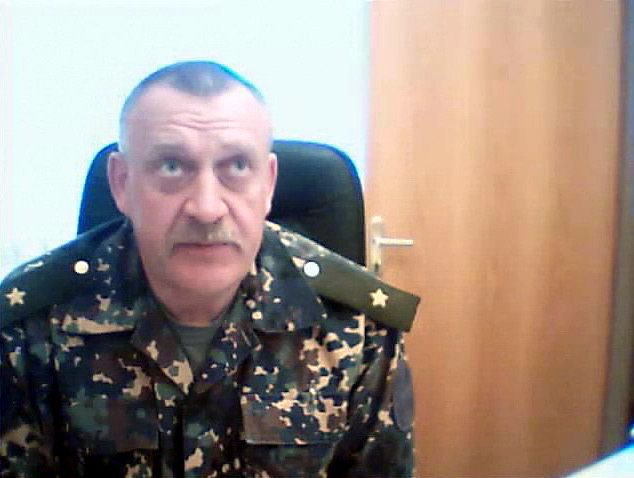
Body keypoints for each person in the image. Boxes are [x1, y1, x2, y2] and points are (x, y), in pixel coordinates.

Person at [0, 61, 420, 478]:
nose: (206, 208)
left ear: (268, 184)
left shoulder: (358, 329)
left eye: (236, 166)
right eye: (172, 166)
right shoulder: (31, 328)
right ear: (122, 183)